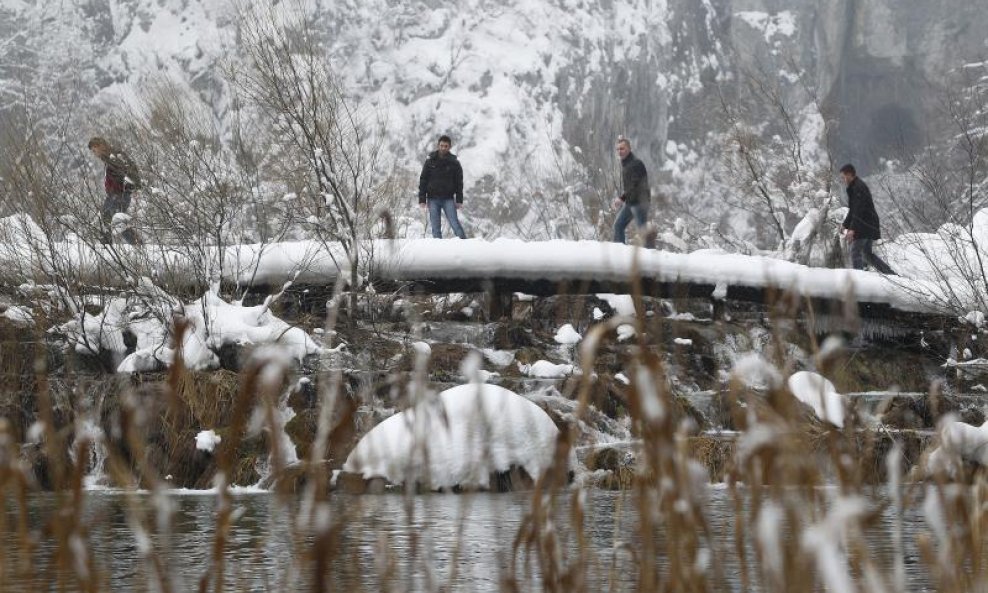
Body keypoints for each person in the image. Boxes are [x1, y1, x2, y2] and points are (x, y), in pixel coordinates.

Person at [840, 163, 895, 275]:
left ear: (849, 174)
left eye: (843, 177)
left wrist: (852, 229)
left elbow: (858, 210)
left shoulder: (858, 187)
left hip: (865, 224)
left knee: (855, 252)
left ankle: (859, 279)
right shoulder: (854, 187)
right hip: (868, 224)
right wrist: (845, 225)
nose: (843, 179)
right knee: (867, 254)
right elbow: (853, 210)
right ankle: (891, 274)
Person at [88, 136, 142, 245]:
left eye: (94, 150)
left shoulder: (114, 156)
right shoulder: (109, 157)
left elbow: (128, 171)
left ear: (100, 146)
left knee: (112, 218)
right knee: (115, 220)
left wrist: (127, 186)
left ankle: (108, 242)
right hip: (115, 194)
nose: (94, 153)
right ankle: (136, 243)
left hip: (119, 194)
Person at [418, 135, 466, 239]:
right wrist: (422, 199)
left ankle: (466, 245)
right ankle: (438, 251)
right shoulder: (430, 160)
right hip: (432, 199)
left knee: (455, 224)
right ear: (438, 145)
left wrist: (459, 200)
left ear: (449, 147)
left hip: (448, 199)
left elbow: (459, 182)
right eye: (441, 145)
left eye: (446, 146)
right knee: (435, 228)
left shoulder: (454, 162)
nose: (443, 148)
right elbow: (423, 180)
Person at [612, 138, 653, 247]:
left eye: (622, 148)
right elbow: (631, 188)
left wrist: (621, 199)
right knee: (618, 226)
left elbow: (635, 186)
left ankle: (650, 256)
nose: (620, 151)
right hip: (631, 202)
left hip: (640, 202)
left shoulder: (635, 164)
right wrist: (623, 199)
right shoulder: (627, 164)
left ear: (629, 149)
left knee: (642, 232)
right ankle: (620, 251)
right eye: (618, 149)